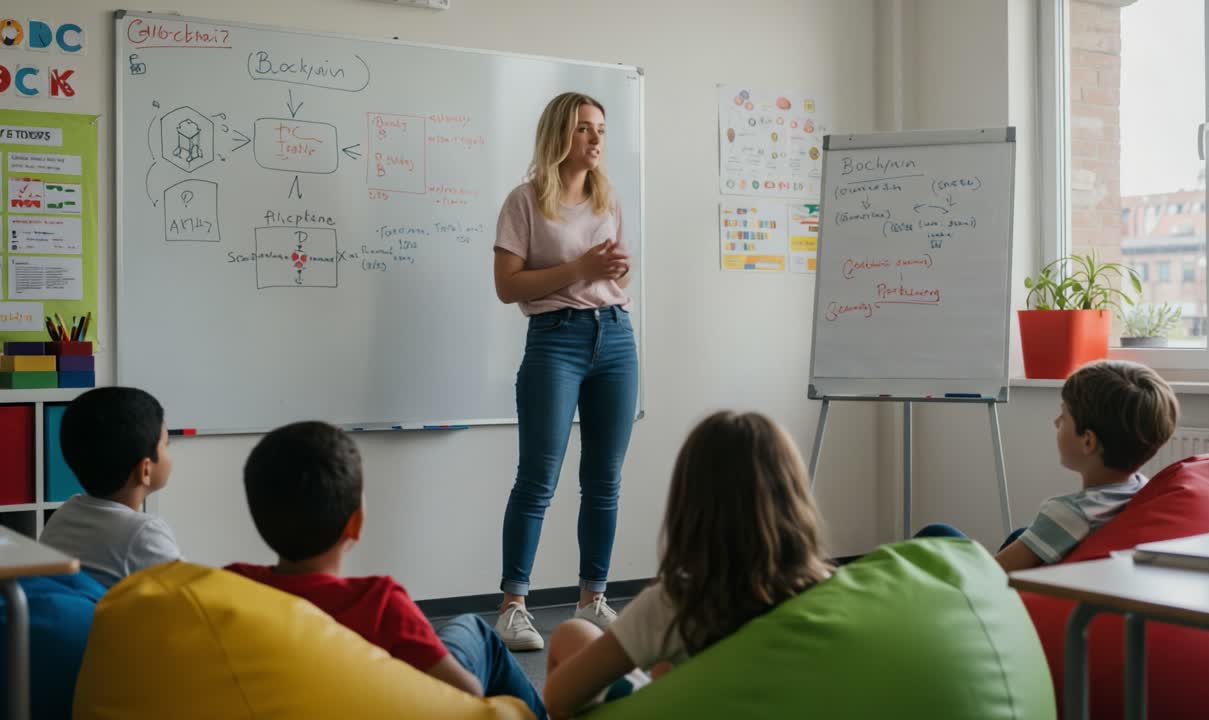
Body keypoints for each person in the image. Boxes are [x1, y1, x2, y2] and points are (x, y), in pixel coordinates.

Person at [226, 421, 546, 720]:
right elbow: (466, 694)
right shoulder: (379, 602)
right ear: (356, 523)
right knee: (476, 632)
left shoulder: (233, 587)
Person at [541, 411, 833, 719]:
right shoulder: (831, 589)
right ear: (796, 498)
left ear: (690, 506)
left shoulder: (677, 603)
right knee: (582, 635)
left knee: (572, 637)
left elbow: (558, 699)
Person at [491, 91, 638, 650]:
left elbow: (615, 283)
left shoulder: (608, 199)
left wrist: (614, 273)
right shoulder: (524, 201)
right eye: (584, 129)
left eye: (600, 128)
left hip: (616, 335)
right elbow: (507, 287)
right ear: (559, 134)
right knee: (538, 478)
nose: (596, 139)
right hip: (556, 340)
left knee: (604, 480)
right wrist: (581, 268)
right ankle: (513, 606)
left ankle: (592, 598)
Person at [917, 360, 1179, 572]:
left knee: (937, 534)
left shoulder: (1070, 514)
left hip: (1011, 602)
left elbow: (993, 575)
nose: (1056, 422)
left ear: (1088, 441)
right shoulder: (1143, 490)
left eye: (1064, 416)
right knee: (1022, 534)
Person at [40, 386, 181, 588]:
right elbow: (189, 597)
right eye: (166, 444)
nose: (169, 452)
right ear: (146, 470)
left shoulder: (64, 515)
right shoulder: (143, 533)